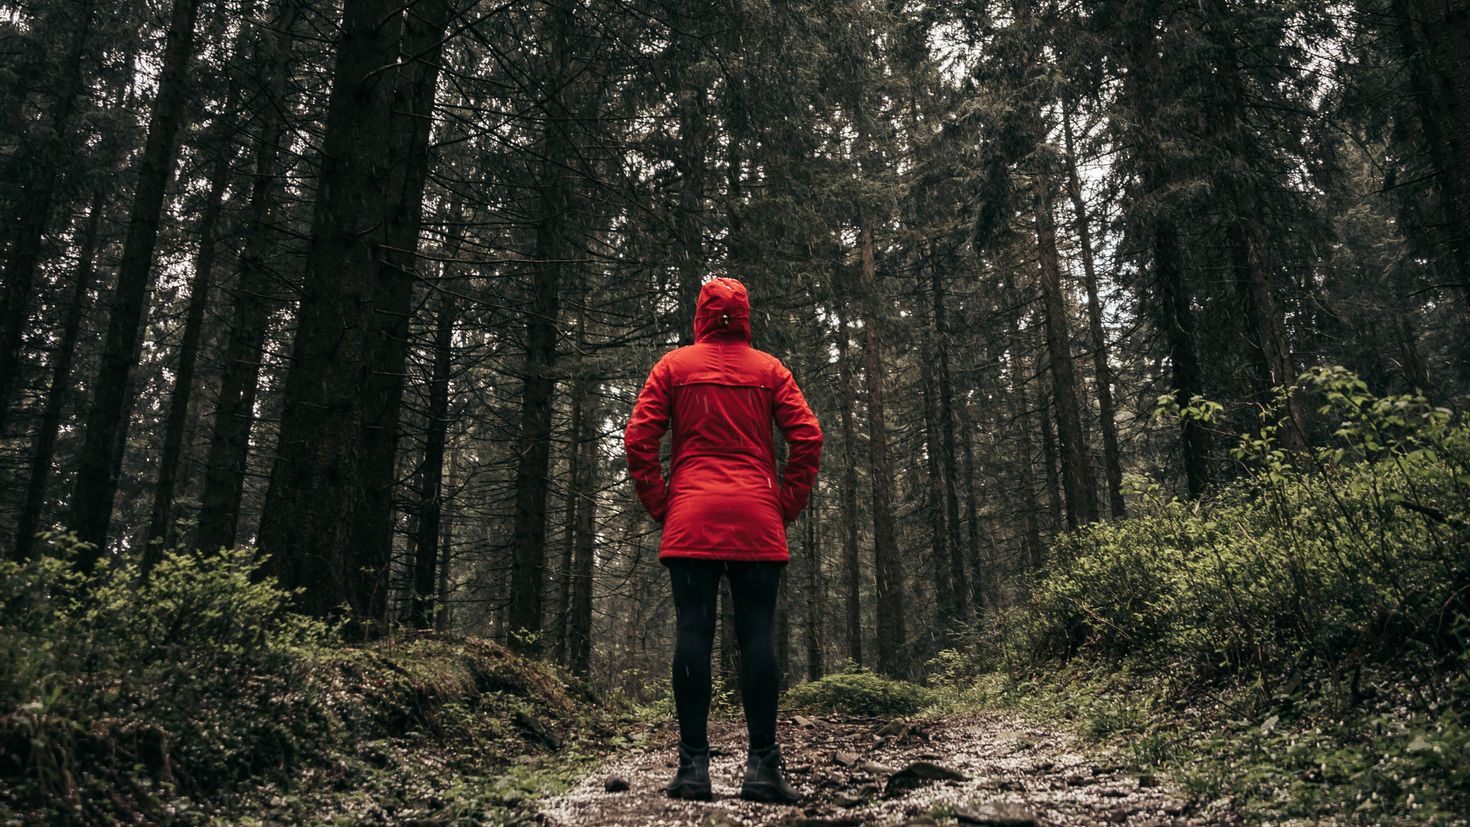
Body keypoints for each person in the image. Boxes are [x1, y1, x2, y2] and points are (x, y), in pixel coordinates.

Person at [624, 277, 823, 803]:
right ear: (744, 315)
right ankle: (763, 768)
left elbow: (639, 437)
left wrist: (661, 504)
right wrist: (786, 504)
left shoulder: (673, 366)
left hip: (691, 514)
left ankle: (693, 769)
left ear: (701, 314)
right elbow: (807, 435)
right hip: (757, 516)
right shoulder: (770, 370)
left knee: (694, 629)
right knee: (757, 634)